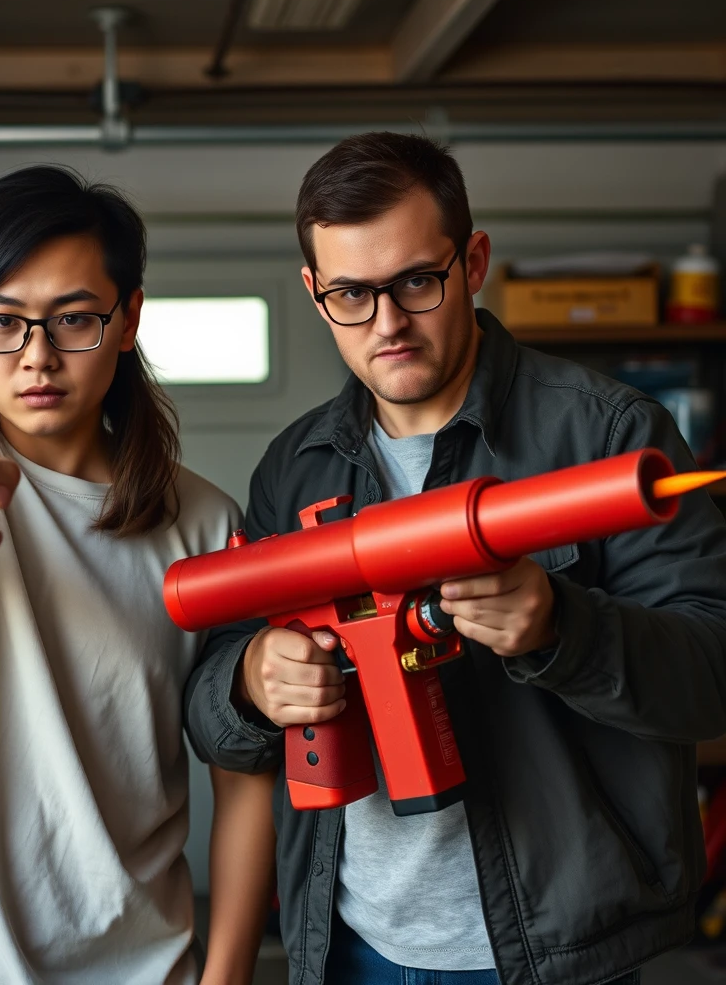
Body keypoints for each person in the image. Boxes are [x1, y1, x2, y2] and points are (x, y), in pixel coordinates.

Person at [183, 132, 726, 985]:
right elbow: (215, 711)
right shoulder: (294, 469)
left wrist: (561, 628)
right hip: (350, 944)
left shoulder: (611, 436)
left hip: (569, 957)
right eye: (350, 295)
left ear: (472, 261)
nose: (387, 323)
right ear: (313, 294)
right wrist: (251, 682)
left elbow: (713, 672)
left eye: (415, 282)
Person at [0, 166, 276, 985]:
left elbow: (245, 767)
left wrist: (229, 976)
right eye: (1, 321)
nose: (36, 356)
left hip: (141, 964)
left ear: (128, 318)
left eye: (73, 319)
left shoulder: (208, 524)